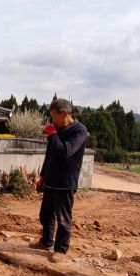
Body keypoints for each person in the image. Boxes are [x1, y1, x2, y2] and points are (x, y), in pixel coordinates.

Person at [31, 98, 88, 263]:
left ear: (65, 114)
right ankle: (46, 242)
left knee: (63, 219)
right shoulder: (57, 129)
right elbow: (50, 154)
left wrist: (52, 134)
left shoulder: (79, 131)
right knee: (45, 215)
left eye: (54, 116)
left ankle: (61, 250)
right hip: (50, 179)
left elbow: (64, 152)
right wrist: (42, 175)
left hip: (65, 182)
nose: (52, 121)